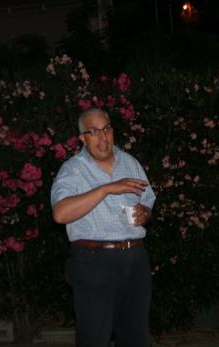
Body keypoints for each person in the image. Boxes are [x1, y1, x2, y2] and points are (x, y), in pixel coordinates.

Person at [50, 108, 156, 347]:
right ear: (83, 138)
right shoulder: (73, 170)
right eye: (94, 131)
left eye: (106, 129)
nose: (103, 137)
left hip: (135, 258)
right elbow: (60, 213)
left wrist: (145, 212)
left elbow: (148, 198)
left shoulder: (130, 162)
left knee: (136, 337)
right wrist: (106, 189)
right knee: (94, 337)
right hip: (94, 261)